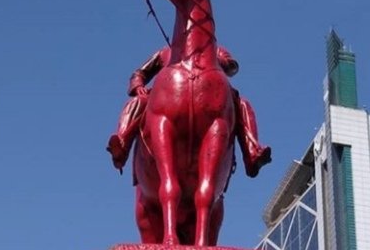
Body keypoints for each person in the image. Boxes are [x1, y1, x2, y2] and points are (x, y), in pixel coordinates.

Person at [107, 45, 271, 177]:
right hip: (168, 98)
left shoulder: (214, 49)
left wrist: (216, 58)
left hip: (211, 96)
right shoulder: (166, 52)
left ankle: (251, 152)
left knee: (242, 104)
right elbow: (140, 73)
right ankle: (121, 145)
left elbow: (232, 67)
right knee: (139, 102)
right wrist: (138, 86)